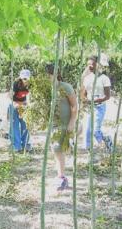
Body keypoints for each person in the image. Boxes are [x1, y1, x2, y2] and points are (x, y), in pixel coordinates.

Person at [45, 64, 77, 192]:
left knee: (58, 149)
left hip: (64, 123)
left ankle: (61, 177)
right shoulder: (46, 89)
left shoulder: (65, 87)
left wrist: (72, 122)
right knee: (56, 149)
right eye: (45, 76)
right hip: (53, 124)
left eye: (49, 75)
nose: (47, 78)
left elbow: (74, 106)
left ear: (55, 74)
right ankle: (60, 174)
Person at [81, 55, 113, 152]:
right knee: (87, 130)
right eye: (88, 65)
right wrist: (85, 100)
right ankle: (89, 151)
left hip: (99, 107)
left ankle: (106, 139)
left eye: (92, 64)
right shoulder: (87, 78)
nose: (90, 66)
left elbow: (107, 96)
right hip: (89, 107)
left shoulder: (104, 78)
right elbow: (83, 94)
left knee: (95, 131)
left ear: (98, 65)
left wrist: (95, 101)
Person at [8, 69, 32, 153]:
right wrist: (18, 104)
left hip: (24, 106)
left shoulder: (31, 85)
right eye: (23, 78)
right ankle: (16, 146)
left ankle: (25, 144)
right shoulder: (16, 84)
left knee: (25, 125)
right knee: (14, 126)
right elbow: (10, 96)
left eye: (26, 78)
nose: (25, 80)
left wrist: (26, 104)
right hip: (14, 105)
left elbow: (31, 97)